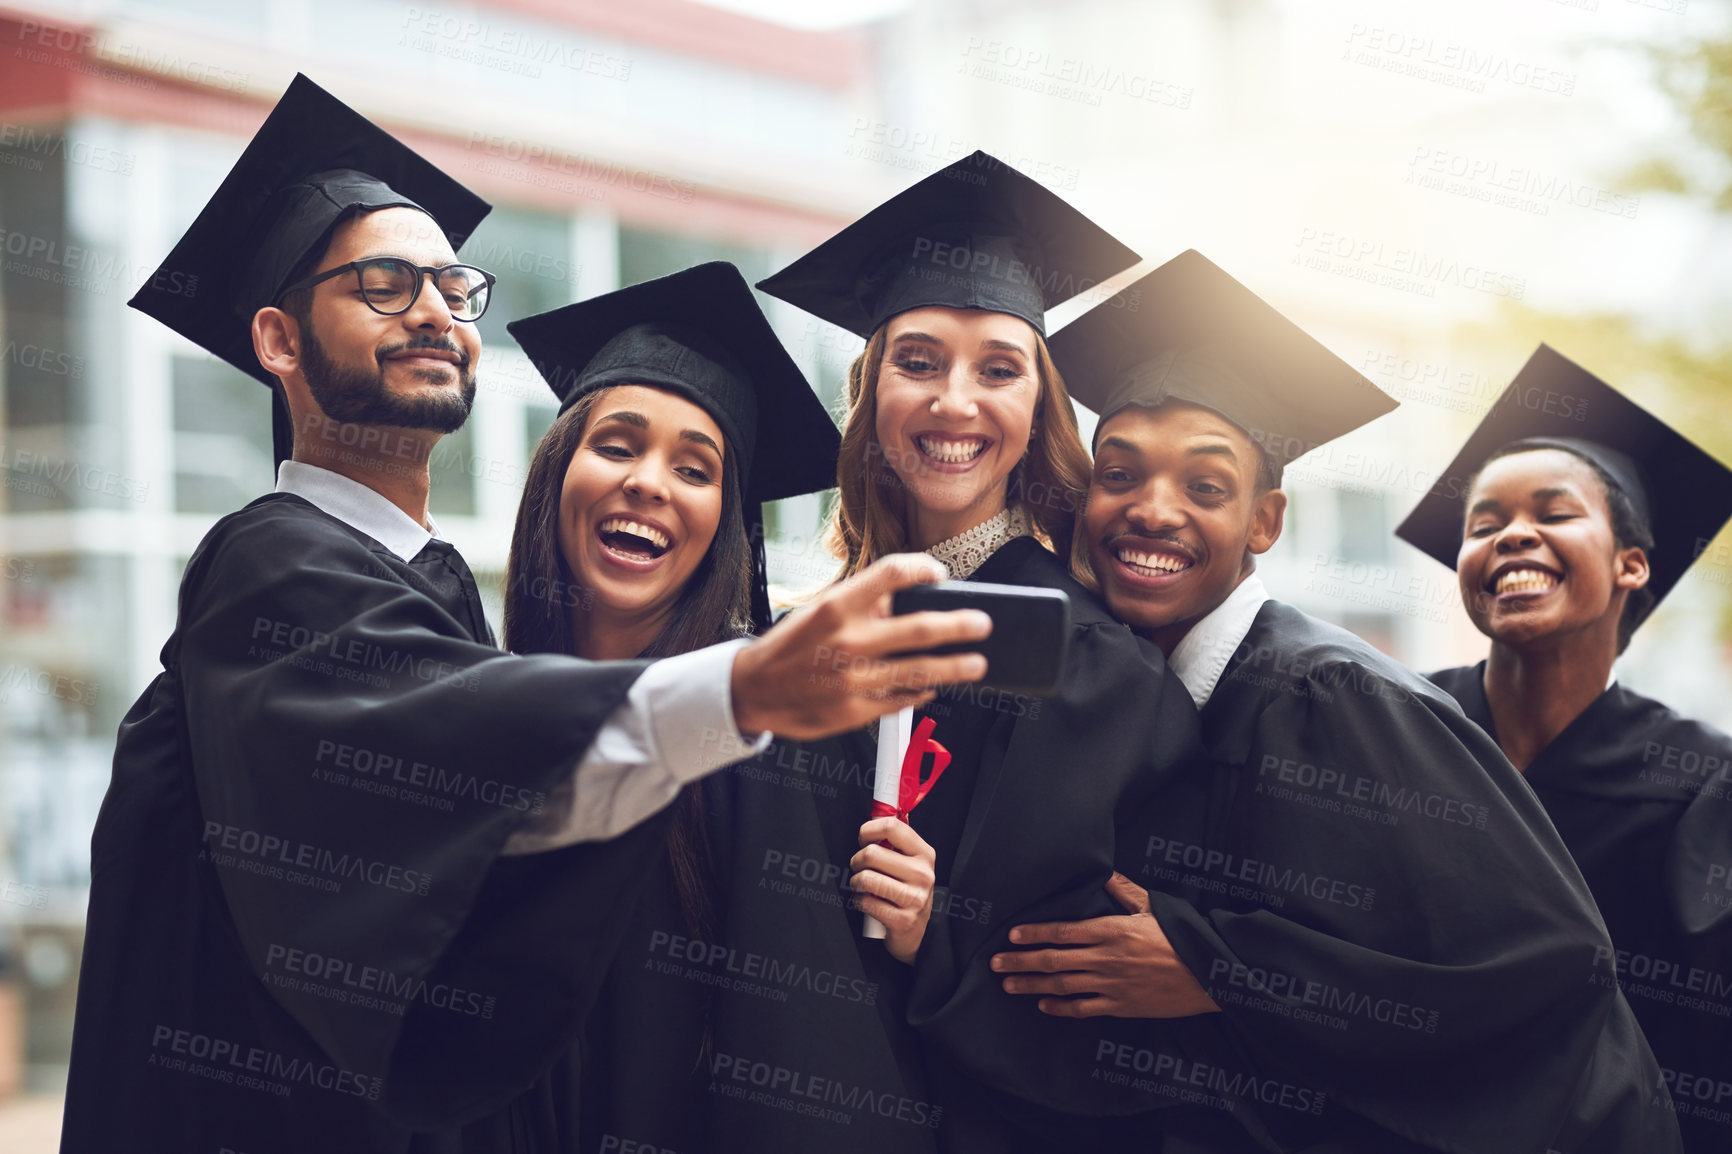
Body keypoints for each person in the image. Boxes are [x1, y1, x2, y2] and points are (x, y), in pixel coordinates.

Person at [60, 77, 992, 1153]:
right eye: (380, 282)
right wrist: (741, 689)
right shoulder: (274, 568)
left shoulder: (425, 593)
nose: (431, 311)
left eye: (452, 289)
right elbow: (447, 768)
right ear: (277, 339)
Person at [989, 250, 1682, 1153]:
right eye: (1119, 475)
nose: (1152, 510)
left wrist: (1225, 971)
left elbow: (1547, 967)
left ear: (1264, 523)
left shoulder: (1328, 695)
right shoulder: (1149, 701)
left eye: (1206, 486)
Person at [677, 149, 1205, 1153]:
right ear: (873, 392)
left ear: (1038, 409)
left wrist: (938, 936)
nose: (954, 402)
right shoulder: (801, 641)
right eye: (918, 361)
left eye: (998, 369)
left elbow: (1114, 1002)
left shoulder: (1091, 666)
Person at [499, 260, 847, 1153]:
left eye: (695, 468)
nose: (650, 482)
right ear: (556, 472)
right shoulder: (474, 709)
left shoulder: (751, 745)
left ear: (725, 521)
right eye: (616, 444)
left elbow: (795, 1051)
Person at [1395, 344, 1732, 1152]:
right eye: (1486, 523)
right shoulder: (1394, 724)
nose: (1513, 537)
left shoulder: (1702, 781)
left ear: (1631, 564)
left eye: (1553, 514)